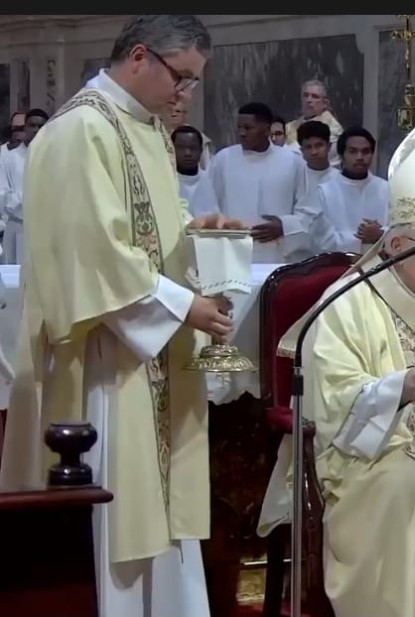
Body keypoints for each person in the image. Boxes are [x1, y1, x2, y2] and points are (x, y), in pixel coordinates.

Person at [0, 15, 246, 617]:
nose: (184, 96)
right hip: (104, 362)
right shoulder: (79, 130)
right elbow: (93, 252)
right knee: (118, 515)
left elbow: (139, 229)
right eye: (181, 79)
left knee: (162, 513)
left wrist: (193, 230)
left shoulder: (144, 128)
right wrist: (185, 304)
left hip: (150, 353)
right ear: (140, 56)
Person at [258, 118, 415, 617]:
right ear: (394, 246)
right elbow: (332, 409)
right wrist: (399, 389)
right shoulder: (347, 304)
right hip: (367, 465)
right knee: (410, 489)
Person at [209, 101, 313, 263]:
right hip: (232, 253)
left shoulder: (292, 162)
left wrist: (284, 226)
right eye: (239, 128)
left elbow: (308, 209)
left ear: (266, 128)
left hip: (276, 255)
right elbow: (208, 204)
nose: (242, 133)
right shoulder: (223, 160)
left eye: (248, 128)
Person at [315, 126, 389, 254]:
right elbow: (321, 240)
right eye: (353, 151)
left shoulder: (386, 189)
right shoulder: (325, 192)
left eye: (365, 151)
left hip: (380, 265)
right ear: (342, 155)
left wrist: (380, 233)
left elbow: (402, 230)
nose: (360, 157)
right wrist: (362, 238)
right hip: (339, 266)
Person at [0, 108, 48, 264]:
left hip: (46, 228)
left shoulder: (54, 157)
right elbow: (3, 196)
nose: (36, 130)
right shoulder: (8, 158)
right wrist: (30, 199)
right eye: (32, 125)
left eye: (40, 126)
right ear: (25, 127)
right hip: (18, 227)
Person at [285, 79, 343, 167]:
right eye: (305, 95)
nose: (309, 100)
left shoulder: (333, 129)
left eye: (315, 96)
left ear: (325, 103)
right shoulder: (290, 127)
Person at [172, 125, 219, 217]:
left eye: (192, 148)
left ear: (201, 150)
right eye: (181, 148)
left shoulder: (210, 180)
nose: (187, 153)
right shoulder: (166, 180)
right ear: (171, 150)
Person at [297, 119, 338, 195]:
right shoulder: (294, 180)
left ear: (329, 146)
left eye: (319, 145)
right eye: (308, 147)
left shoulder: (341, 179)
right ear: (302, 150)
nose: (314, 152)